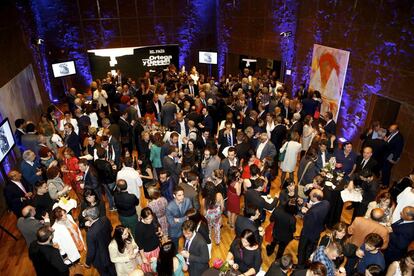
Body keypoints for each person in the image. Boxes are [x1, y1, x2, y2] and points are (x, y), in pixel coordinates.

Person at [297, 189, 330, 266]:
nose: (309, 195)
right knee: (310, 249)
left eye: (311, 195)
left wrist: (306, 212)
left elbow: (306, 223)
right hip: (317, 231)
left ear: (315, 197)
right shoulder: (326, 203)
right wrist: (312, 207)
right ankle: (307, 261)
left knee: (302, 249)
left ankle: (300, 265)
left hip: (308, 233)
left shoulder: (313, 212)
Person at [84, 206, 116, 275]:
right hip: (110, 250)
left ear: (89, 218)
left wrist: (87, 263)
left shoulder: (90, 233)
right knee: (113, 270)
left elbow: (91, 251)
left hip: (100, 259)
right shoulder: (105, 219)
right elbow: (110, 229)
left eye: (86, 216)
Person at [135, 208, 161, 273]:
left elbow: (157, 225)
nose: (149, 221)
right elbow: (140, 244)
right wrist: (143, 257)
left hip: (156, 248)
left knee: (157, 267)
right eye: (147, 219)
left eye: (151, 218)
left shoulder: (153, 218)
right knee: (150, 270)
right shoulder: (139, 228)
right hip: (148, 253)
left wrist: (160, 231)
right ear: (142, 217)